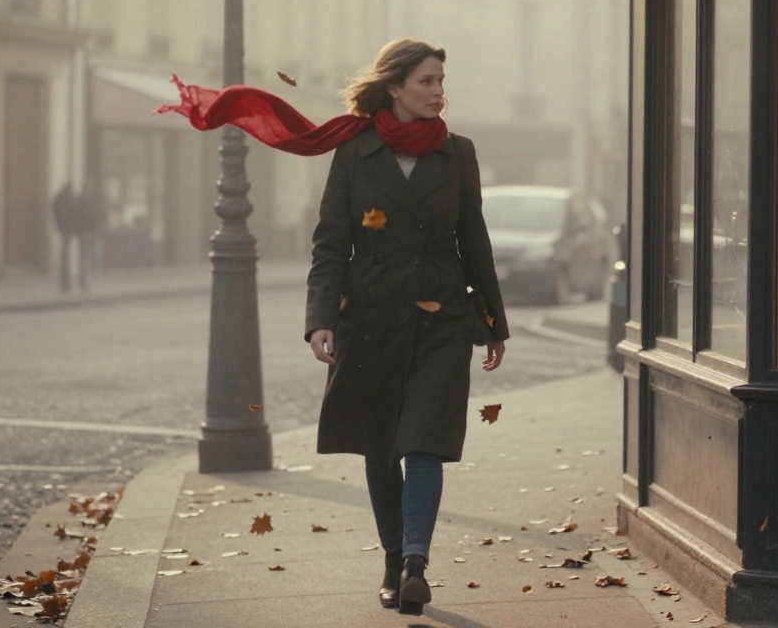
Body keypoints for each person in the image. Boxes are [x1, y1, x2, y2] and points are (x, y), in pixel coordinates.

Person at [157, 38, 510, 616]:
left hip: (441, 317)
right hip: (369, 317)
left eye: (441, 81)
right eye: (426, 81)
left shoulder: (458, 154)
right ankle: (394, 560)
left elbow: (474, 240)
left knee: (425, 440)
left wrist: (492, 321)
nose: (439, 92)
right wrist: (320, 318)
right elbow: (331, 245)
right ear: (394, 86)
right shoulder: (354, 153)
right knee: (380, 445)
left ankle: (417, 564)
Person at [50, 182, 84, 292]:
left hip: (66, 229)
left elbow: (55, 210)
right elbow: (77, 213)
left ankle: (65, 283)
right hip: (72, 229)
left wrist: (59, 225)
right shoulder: (71, 199)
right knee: (76, 254)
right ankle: (77, 282)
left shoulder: (60, 198)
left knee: (65, 256)